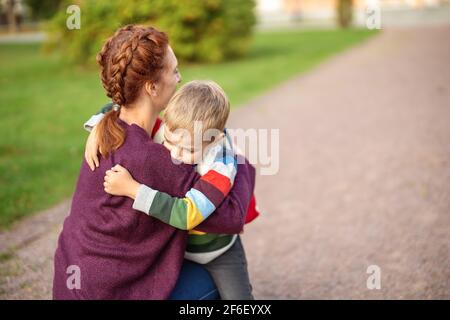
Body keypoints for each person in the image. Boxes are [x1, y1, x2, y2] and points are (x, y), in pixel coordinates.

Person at [53, 25, 255, 299]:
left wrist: (102, 116)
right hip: (111, 292)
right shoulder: (157, 159)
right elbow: (230, 217)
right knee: (216, 285)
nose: (180, 78)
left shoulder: (108, 129)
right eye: (174, 71)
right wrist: (237, 161)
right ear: (151, 86)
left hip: (73, 286)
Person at [86, 80, 260, 299]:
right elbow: (122, 112)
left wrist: (134, 190)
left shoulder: (221, 165)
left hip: (218, 251)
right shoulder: (168, 128)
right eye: (169, 142)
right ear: (166, 118)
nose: (175, 155)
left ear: (215, 140)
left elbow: (187, 214)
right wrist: (100, 125)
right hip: (178, 249)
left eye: (187, 150)